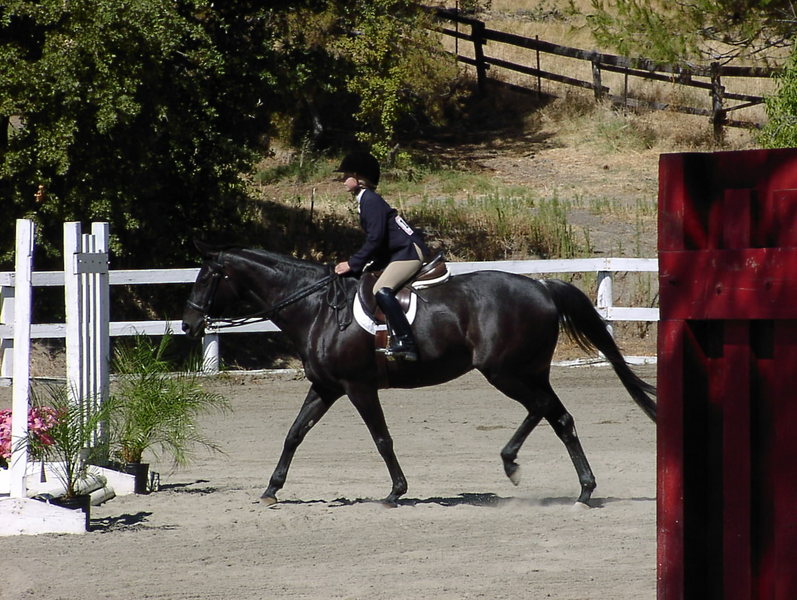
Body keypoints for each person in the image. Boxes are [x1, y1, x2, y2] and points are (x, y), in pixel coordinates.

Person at [334, 151, 430, 361]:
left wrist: (353, 263)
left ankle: (406, 342)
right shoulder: (366, 199)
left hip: (408, 252)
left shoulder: (370, 200)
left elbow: (375, 238)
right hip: (397, 252)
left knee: (381, 289)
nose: (343, 180)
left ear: (359, 177)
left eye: (346, 175)